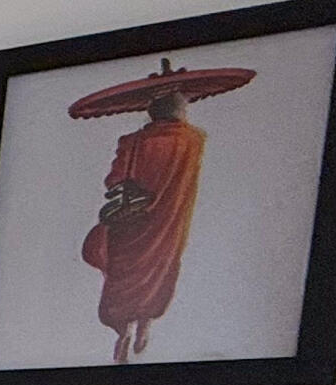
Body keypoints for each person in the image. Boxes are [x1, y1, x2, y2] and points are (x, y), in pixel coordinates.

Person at [73, 58, 251, 363]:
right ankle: (144, 325)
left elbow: (114, 180)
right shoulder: (194, 140)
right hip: (170, 220)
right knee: (160, 269)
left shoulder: (133, 142)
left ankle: (123, 331)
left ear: (152, 109)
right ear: (180, 107)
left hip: (131, 222)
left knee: (124, 273)